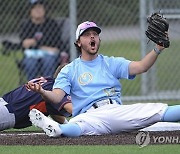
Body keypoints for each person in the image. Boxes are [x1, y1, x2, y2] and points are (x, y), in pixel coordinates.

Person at [27, 21, 180, 138]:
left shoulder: (111, 62)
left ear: (99, 40)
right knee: (77, 126)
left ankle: (56, 128)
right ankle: (55, 128)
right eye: (87, 34)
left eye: (95, 33)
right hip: (90, 117)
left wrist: (158, 48)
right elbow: (57, 97)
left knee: (159, 110)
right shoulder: (69, 69)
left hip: (115, 111)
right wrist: (42, 92)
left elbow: (141, 67)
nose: (92, 36)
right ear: (78, 42)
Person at [0, 64, 72, 131]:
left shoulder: (48, 81)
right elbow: (71, 109)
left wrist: (68, 125)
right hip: (8, 112)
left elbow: (53, 111)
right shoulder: (55, 90)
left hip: (4, 104)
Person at [19, 0, 69, 80]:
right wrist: (43, 46)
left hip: (50, 56)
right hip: (32, 55)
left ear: (44, 9)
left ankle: (47, 87)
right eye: (35, 8)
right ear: (30, 11)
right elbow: (24, 44)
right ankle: (33, 89)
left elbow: (56, 46)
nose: (38, 10)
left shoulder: (51, 24)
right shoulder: (26, 25)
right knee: (30, 63)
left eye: (40, 7)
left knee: (48, 61)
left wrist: (35, 43)